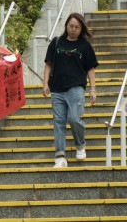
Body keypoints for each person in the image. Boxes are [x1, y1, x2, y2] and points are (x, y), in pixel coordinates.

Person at [42, 13, 99, 168]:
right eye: (71, 26)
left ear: (81, 29)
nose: (73, 29)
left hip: (76, 88)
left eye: (77, 27)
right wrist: (45, 83)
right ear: (66, 26)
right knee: (58, 122)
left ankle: (80, 144)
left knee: (74, 119)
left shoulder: (85, 46)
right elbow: (48, 64)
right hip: (57, 89)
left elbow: (91, 68)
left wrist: (92, 89)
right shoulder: (56, 42)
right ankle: (60, 156)